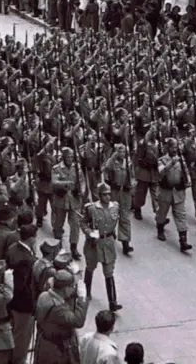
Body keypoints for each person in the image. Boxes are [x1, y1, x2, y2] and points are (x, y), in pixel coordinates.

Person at [81, 183, 123, 312]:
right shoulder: (91, 208)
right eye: (105, 194)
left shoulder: (115, 207)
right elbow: (82, 223)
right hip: (94, 243)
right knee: (90, 267)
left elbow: (117, 222)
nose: (108, 196)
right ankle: (86, 292)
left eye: (109, 194)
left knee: (109, 272)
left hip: (108, 243)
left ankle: (113, 302)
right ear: (99, 195)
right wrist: (89, 232)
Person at [35, 270, 90, 364]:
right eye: (72, 287)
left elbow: (65, 297)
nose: (73, 289)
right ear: (65, 289)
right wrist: (82, 298)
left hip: (44, 343)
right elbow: (78, 321)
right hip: (55, 351)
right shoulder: (58, 309)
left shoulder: (45, 295)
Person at [5, 223, 38, 364]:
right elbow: (24, 286)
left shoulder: (12, 249)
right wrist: (32, 304)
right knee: (22, 338)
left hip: (11, 300)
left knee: (14, 332)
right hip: (23, 305)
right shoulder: (27, 259)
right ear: (31, 239)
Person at [155, 138, 193, 252]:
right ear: (168, 148)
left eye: (176, 147)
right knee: (162, 213)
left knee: (181, 215)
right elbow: (160, 172)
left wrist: (188, 180)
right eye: (173, 147)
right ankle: (160, 228)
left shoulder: (181, 159)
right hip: (165, 191)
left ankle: (183, 240)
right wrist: (171, 163)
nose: (175, 149)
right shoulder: (162, 160)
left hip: (178, 191)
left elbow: (185, 171)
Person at [51, 147, 83, 260]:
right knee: (58, 224)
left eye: (72, 156)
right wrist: (67, 183)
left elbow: (82, 181)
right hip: (61, 200)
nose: (70, 159)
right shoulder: (56, 168)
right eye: (68, 156)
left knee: (75, 225)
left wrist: (81, 191)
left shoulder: (77, 168)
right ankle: (57, 246)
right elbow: (54, 182)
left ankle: (73, 247)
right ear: (63, 157)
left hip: (74, 201)